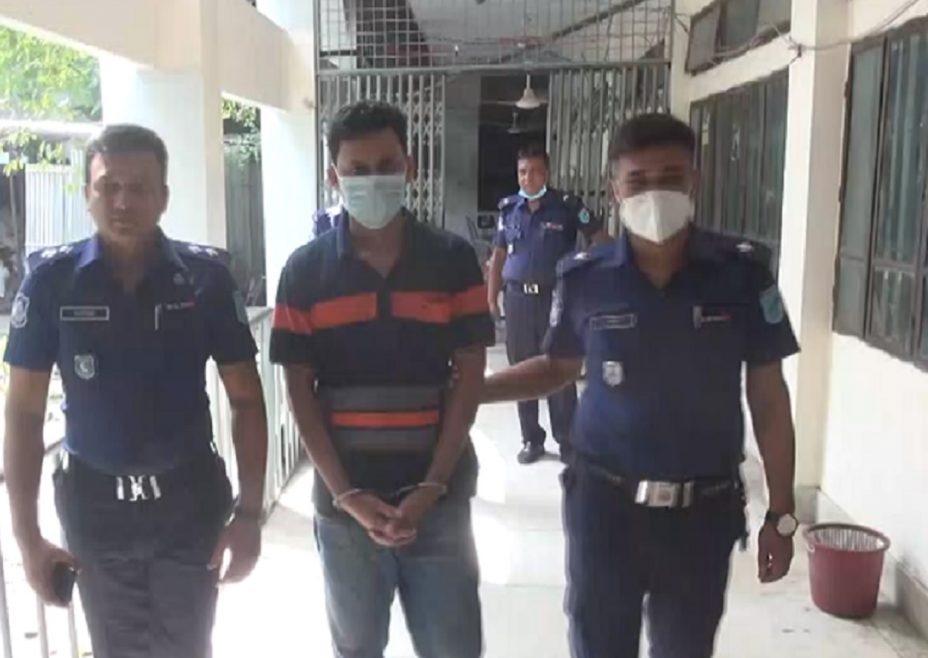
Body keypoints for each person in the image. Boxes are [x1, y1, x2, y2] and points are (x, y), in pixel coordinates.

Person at [482, 113, 800, 658]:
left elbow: (769, 401)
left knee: (685, 649)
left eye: (671, 177)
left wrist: (782, 514)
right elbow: (556, 367)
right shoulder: (585, 277)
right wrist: (474, 391)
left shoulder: (743, 275)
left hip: (701, 513)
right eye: (638, 180)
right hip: (603, 508)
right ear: (615, 189)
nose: (655, 193)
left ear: (694, 180)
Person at [2, 124, 269, 657]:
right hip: (95, 510)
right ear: (87, 193)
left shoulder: (206, 280)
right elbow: (23, 414)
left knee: (188, 647)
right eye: (109, 186)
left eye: (140, 187)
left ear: (164, 197)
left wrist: (249, 514)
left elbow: (246, 399)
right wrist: (28, 538)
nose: (123, 201)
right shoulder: (52, 282)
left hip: (188, 506)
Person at [270, 100, 493, 658]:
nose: (374, 180)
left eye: (387, 166)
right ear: (334, 177)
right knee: (357, 649)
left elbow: (469, 378)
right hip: (345, 511)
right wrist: (347, 495)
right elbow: (299, 391)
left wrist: (431, 487)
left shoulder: (452, 260)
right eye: (358, 169)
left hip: (439, 505)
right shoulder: (304, 272)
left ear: (410, 167)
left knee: (454, 648)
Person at [487, 144, 607, 465]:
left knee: (558, 366)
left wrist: (585, 274)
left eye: (535, 171)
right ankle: (531, 439)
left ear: (547, 174)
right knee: (520, 368)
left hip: (556, 299)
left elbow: (601, 240)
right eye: (522, 172)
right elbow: (498, 256)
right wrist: (491, 298)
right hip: (516, 300)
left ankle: (567, 439)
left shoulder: (565, 206)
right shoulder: (509, 210)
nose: (528, 178)